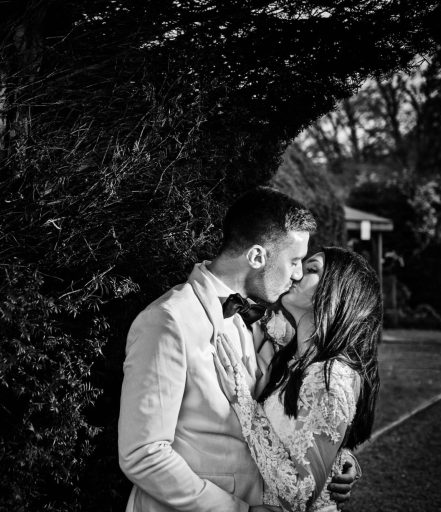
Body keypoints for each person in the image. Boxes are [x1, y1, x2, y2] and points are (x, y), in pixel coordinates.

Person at [118, 187, 359, 512]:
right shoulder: (168, 321)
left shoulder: (265, 321)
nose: (298, 274)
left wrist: (331, 459)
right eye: (293, 261)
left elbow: (290, 410)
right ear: (257, 257)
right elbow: (144, 454)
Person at [214, 247, 381, 512]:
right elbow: (307, 433)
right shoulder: (294, 354)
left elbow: (300, 495)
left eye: (312, 269)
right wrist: (338, 458)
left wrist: (242, 401)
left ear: (337, 294)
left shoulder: (330, 377)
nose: (297, 273)